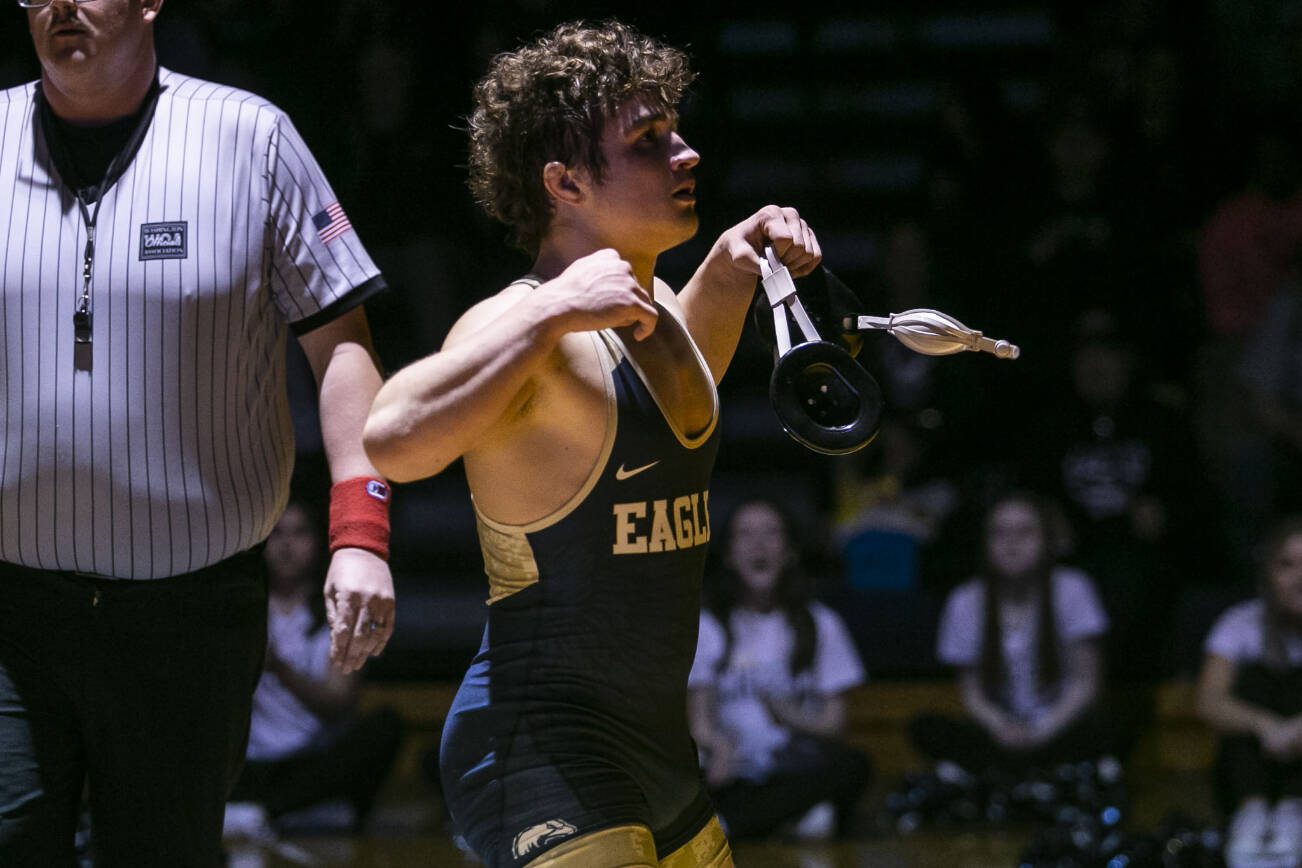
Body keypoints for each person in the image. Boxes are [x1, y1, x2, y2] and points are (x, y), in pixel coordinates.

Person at [364, 20, 822, 868]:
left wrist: (731, 261)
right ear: (565, 182)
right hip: (539, 749)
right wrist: (549, 309)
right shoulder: (520, 320)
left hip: (659, 755)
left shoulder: (652, 323)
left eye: (675, 131)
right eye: (649, 141)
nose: (685, 154)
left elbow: (676, 401)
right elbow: (391, 438)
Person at [0, 1, 395, 864]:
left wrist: (360, 533)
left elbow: (342, 350)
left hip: (189, 613)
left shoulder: (250, 141)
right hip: (10, 609)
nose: (61, 4)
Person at [687, 499, 870, 840]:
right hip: (732, 772)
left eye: (771, 533)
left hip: (793, 769)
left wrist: (789, 716)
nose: (759, 544)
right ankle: (792, 820)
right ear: (728, 554)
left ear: (789, 551)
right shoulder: (708, 624)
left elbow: (834, 724)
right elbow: (700, 724)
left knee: (853, 765)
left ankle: (736, 825)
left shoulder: (821, 623)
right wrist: (721, 747)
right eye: (746, 534)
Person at [227, 499, 402, 834]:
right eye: (276, 534)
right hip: (248, 763)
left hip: (310, 760)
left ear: (318, 541)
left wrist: (279, 668)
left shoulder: (341, 610)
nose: (287, 545)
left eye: (300, 532)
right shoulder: (244, 606)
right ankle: (298, 812)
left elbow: (337, 704)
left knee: (385, 727)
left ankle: (269, 814)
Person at [910, 493, 1112, 774]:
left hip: (1058, 728)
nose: (1011, 543)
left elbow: (1086, 684)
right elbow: (971, 690)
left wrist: (1040, 732)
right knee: (927, 727)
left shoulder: (1073, 588)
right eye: (999, 533)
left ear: (1047, 539)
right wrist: (1002, 728)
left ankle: (1000, 774)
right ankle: (1018, 772)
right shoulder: (966, 599)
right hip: (999, 731)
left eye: (1025, 532)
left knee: (1110, 726)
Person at [1196, 517, 1302, 866]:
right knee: (1256, 679)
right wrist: (1266, 725)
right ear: (1267, 572)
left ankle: (1293, 812)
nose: (1299, 578)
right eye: (1286, 565)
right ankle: (1251, 816)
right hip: (1250, 764)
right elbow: (1209, 700)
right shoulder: (1241, 622)